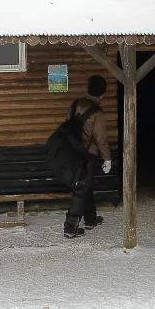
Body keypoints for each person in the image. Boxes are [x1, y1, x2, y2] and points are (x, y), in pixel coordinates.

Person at [64, 74, 112, 238]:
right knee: (81, 189)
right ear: (103, 93)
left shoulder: (75, 104)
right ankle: (70, 228)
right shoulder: (96, 112)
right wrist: (107, 159)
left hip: (71, 152)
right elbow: (101, 138)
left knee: (86, 186)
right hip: (87, 155)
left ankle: (90, 219)